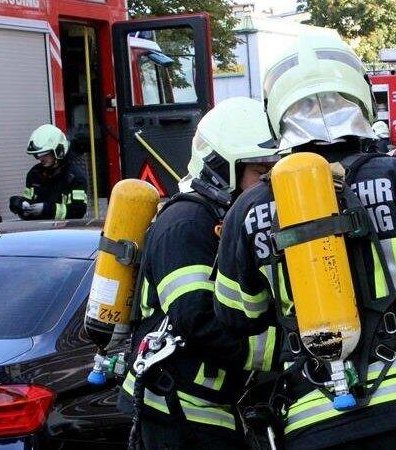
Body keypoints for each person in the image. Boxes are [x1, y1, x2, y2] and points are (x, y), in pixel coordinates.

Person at [215, 35, 396, 450]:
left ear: (277, 114)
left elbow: (236, 320)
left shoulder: (248, 210)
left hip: (315, 418)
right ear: (360, 98)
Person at [118, 97, 281, 450]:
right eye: (260, 173)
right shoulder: (187, 225)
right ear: (221, 170)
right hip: (176, 410)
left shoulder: (226, 222)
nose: (269, 186)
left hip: (207, 408)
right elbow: (198, 319)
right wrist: (286, 349)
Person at [9, 124, 87, 220]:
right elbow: (29, 202)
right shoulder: (34, 174)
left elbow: (78, 211)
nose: (40, 158)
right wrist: (19, 203)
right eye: (37, 155)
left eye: (44, 154)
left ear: (59, 151)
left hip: (64, 232)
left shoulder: (75, 177)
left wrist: (46, 209)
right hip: (39, 231)